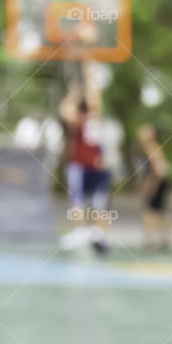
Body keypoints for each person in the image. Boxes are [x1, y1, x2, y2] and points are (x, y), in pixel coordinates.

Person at [59, 75, 111, 255]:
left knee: (97, 204)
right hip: (82, 165)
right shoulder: (80, 119)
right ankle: (81, 232)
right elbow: (66, 111)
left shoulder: (91, 117)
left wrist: (87, 76)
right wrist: (74, 93)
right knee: (80, 201)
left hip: (93, 166)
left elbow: (93, 97)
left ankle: (100, 236)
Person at [138, 124, 171, 251]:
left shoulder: (152, 148)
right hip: (157, 182)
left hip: (156, 183)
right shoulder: (149, 148)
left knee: (150, 211)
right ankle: (163, 238)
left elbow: (157, 168)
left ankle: (151, 239)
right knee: (159, 211)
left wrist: (152, 185)